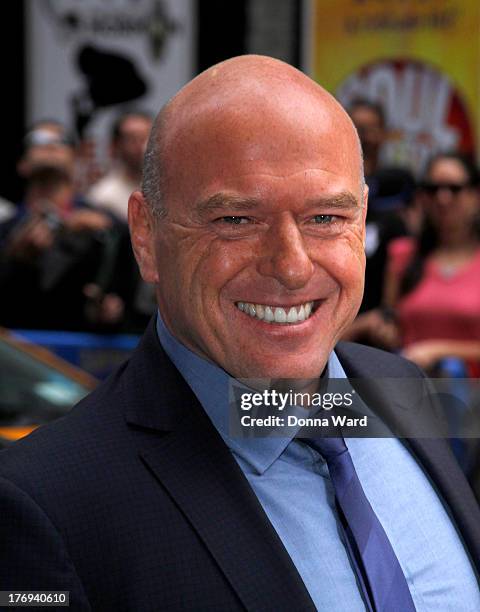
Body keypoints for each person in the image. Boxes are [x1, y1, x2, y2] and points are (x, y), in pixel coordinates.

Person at [1, 56, 479, 611]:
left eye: (326, 217)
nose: (292, 266)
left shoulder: (396, 387)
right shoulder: (43, 504)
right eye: (236, 221)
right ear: (146, 235)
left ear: (363, 215)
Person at [87, 111, 153, 222]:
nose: (142, 146)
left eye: (147, 138)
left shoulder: (171, 190)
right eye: (133, 139)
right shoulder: (103, 196)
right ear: (116, 146)